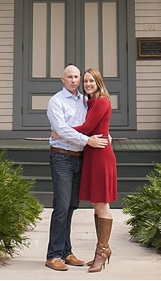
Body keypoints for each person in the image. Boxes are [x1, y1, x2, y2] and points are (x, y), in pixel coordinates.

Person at [45, 64, 110, 272]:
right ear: (63, 80)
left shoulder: (86, 101)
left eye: (76, 77)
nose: (74, 80)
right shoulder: (56, 101)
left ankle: (66, 252)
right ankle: (53, 255)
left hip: (81, 158)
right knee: (61, 206)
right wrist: (87, 140)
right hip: (62, 158)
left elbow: (93, 125)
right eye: (70, 77)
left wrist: (104, 135)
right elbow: (61, 129)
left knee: (72, 206)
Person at [73, 68, 119, 272]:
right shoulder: (90, 102)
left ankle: (101, 253)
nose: (88, 84)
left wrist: (61, 130)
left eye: (91, 81)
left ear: (99, 82)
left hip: (101, 156)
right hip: (92, 154)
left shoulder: (101, 101)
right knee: (96, 204)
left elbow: (87, 127)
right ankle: (103, 249)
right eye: (85, 81)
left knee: (102, 204)